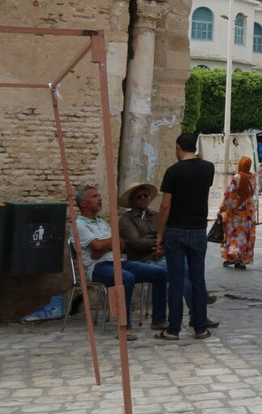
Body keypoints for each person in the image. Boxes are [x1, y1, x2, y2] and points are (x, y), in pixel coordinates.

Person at [117, 181, 218, 329]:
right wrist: (157, 241)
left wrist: (162, 247)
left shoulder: (156, 216)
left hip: (162, 255)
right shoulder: (126, 219)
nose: (143, 198)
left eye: (145, 195)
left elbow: (168, 236)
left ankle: (196, 313)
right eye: (138, 196)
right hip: (142, 260)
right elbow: (135, 242)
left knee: (185, 267)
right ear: (132, 200)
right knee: (181, 270)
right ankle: (198, 310)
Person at [74, 184, 168, 338]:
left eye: (99, 196)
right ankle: (124, 327)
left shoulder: (102, 223)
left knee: (160, 273)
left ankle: (158, 319)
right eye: (94, 196)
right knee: (126, 278)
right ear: (83, 203)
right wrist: (108, 244)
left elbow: (122, 244)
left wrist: (104, 246)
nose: (99, 199)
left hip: (117, 262)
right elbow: (97, 245)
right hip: (97, 267)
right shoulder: (79, 225)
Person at [155, 132, 215, 341]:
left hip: (176, 229)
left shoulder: (173, 171)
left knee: (176, 280)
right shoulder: (208, 168)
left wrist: (159, 233)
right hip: (198, 229)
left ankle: (173, 329)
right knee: (198, 279)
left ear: (179, 147)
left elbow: (165, 206)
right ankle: (200, 328)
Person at [220, 156, 257, 268]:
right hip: (249, 211)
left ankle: (233, 255)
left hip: (236, 212)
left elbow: (230, 194)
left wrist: (223, 207)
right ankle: (242, 260)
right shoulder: (252, 177)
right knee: (246, 235)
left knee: (235, 234)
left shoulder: (237, 177)